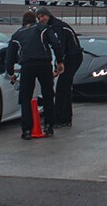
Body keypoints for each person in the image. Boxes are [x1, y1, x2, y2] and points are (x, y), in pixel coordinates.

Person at [7, 9, 65, 139]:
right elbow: (56, 44)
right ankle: (49, 126)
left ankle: (27, 130)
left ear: (23, 22)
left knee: (25, 97)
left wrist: (11, 73)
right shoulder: (43, 28)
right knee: (48, 94)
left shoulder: (16, 35)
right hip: (44, 64)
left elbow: (9, 57)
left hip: (27, 66)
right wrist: (59, 61)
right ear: (35, 20)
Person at [35, 6, 82, 128]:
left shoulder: (57, 27)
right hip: (70, 56)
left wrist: (58, 67)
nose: (41, 19)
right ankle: (65, 117)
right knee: (64, 87)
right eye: (38, 18)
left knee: (62, 88)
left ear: (48, 15)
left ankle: (60, 118)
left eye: (42, 16)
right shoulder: (52, 26)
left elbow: (60, 47)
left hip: (72, 56)